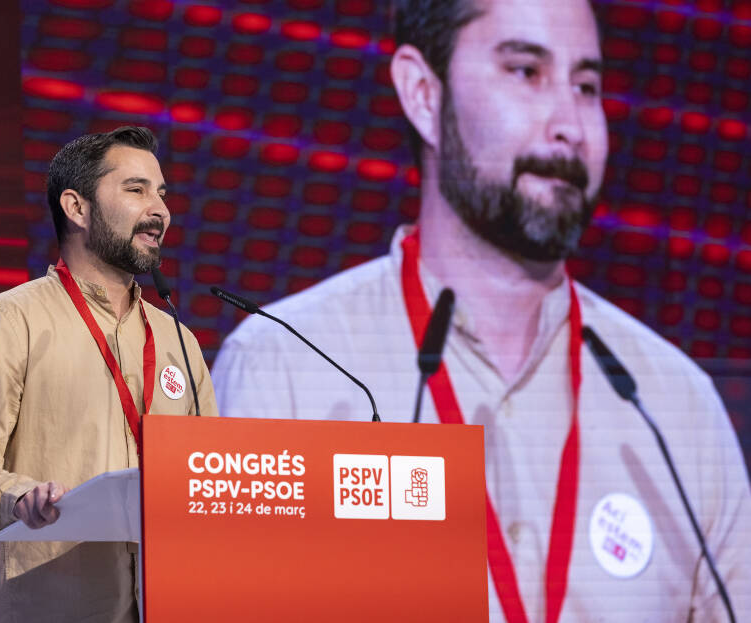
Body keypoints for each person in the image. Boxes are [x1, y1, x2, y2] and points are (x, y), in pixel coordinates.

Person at [211, 0, 750, 620]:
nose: (570, 123)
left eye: (587, 86)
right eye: (526, 71)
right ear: (422, 94)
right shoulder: (284, 371)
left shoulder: (676, 406)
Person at [0, 126, 218, 623]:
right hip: (58, 606)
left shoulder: (179, 342)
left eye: (163, 193)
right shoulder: (11, 320)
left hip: (171, 603)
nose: (160, 211)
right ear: (76, 207)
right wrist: (18, 498)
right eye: (137, 189)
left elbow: (209, 480)